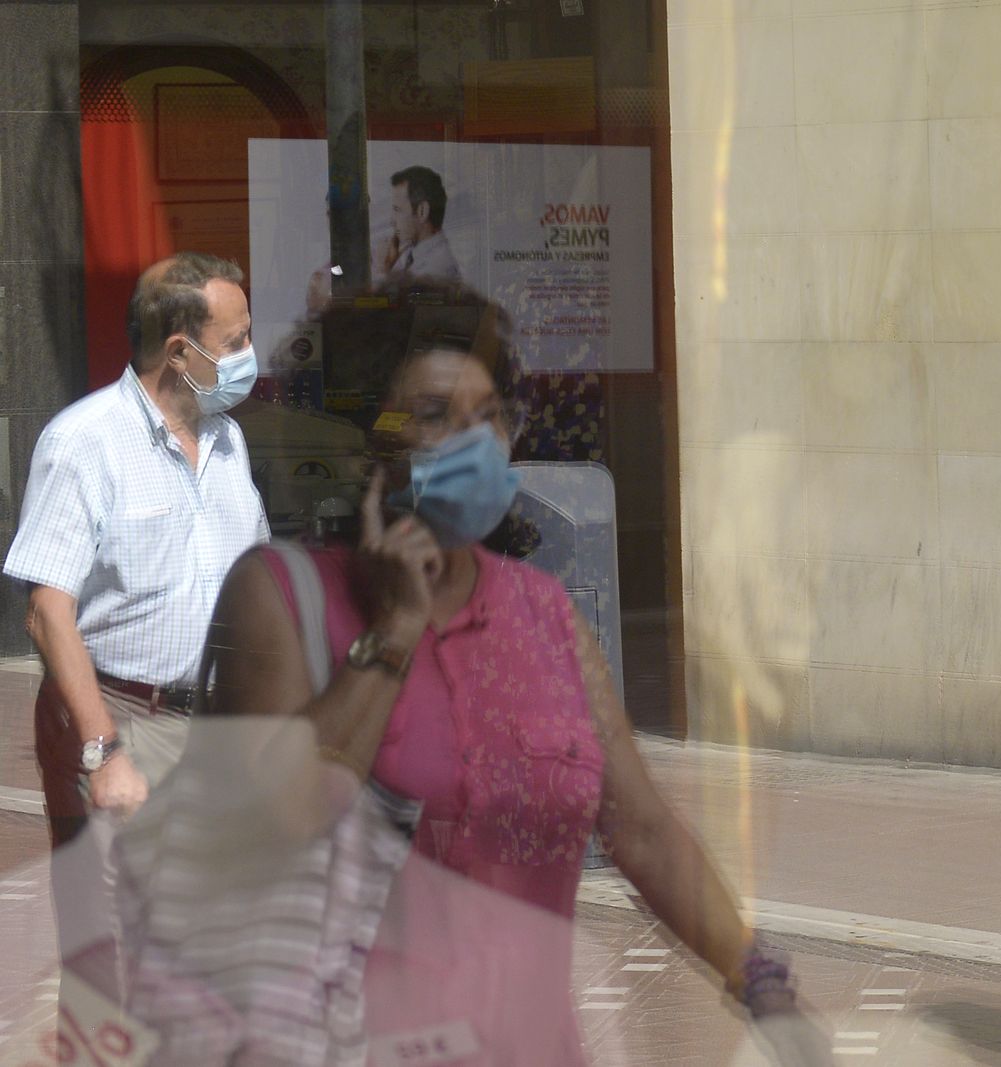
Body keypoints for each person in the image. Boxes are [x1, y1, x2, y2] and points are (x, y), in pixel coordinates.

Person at [199, 293, 829, 1065]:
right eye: (434, 413)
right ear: (372, 437)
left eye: (490, 414)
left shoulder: (542, 611)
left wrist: (762, 984)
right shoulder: (280, 593)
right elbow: (276, 827)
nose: (475, 440)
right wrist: (396, 628)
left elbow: (642, 829)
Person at [4, 252, 269, 847]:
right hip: (120, 716)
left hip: (217, 724)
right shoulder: (83, 443)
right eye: (237, 340)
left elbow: (255, 579)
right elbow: (47, 614)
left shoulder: (228, 441)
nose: (252, 354)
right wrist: (105, 751)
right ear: (178, 353)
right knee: (115, 930)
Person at [381, 165, 462, 286]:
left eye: (398, 209)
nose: (392, 221)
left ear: (422, 211)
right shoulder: (411, 254)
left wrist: (386, 271)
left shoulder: (433, 270)